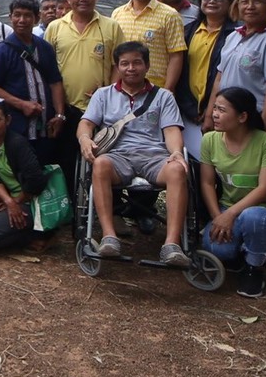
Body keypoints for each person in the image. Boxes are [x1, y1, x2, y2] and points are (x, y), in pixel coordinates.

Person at [77, 42, 191, 266]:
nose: (131, 68)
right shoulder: (103, 95)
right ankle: (109, 237)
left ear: (147, 65)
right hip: (117, 156)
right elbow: (86, 123)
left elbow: (171, 130)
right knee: (99, 164)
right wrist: (84, 139)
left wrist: (177, 152)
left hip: (154, 155)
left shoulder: (163, 96)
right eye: (125, 63)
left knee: (178, 169)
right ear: (117, 67)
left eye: (137, 62)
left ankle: (172, 244)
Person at [200, 87, 266, 299]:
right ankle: (253, 246)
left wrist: (229, 215)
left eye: (222, 110)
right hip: (227, 212)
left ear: (242, 116)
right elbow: (206, 183)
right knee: (220, 251)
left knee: (254, 217)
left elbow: (264, 189)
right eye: (214, 108)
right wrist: (217, 217)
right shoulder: (210, 140)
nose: (215, 114)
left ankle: (254, 268)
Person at [45, 0, 124, 180]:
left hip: (101, 109)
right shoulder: (55, 27)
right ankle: (71, 208)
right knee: (66, 161)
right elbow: (48, 68)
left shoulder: (111, 26)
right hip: (65, 108)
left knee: (102, 160)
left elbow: (118, 64)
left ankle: (105, 207)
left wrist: (110, 91)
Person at [0, 0, 67, 165]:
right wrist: (22, 104)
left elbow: (55, 82)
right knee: (22, 172)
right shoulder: (2, 51)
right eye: (17, 15)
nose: (21, 20)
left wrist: (59, 114)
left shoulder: (45, 47)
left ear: (36, 18)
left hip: (46, 127)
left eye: (27, 15)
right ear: (10, 17)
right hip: (17, 128)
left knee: (46, 170)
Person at [207, 0, 266, 135]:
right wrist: (209, 115)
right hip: (227, 121)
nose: (250, 6)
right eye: (244, 1)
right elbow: (219, 79)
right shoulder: (233, 36)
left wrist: (264, 130)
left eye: (258, 1)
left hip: (253, 121)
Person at [0, 98, 52, 252]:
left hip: (29, 200)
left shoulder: (17, 143)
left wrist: (16, 202)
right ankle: (7, 224)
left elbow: (36, 181)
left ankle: (38, 235)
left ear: (7, 120)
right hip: (9, 197)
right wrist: (9, 202)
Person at [172, 0, 236, 163]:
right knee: (196, 166)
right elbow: (180, 71)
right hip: (189, 110)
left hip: (223, 108)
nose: (212, 1)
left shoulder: (237, 34)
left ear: (230, 2)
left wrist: (211, 110)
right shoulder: (187, 31)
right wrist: (190, 108)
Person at [111, 0, 186, 90]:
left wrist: (168, 91)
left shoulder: (170, 15)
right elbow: (114, 55)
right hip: (121, 89)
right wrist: (112, 89)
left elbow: (176, 56)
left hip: (155, 89)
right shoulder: (117, 14)